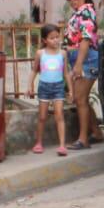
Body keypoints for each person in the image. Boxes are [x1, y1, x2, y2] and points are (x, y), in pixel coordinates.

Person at [64, 0, 104, 148]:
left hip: (86, 60)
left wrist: (78, 64)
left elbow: (86, 39)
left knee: (80, 99)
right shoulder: (79, 13)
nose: (72, 0)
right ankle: (95, 132)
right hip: (79, 58)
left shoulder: (86, 12)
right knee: (83, 100)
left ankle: (83, 139)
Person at [33, 22, 68, 156]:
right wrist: (29, 86)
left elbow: (66, 73)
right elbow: (34, 71)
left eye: (57, 37)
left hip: (58, 86)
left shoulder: (63, 54)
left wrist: (70, 89)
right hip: (44, 87)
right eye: (52, 38)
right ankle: (38, 143)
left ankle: (62, 146)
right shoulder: (40, 53)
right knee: (42, 116)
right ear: (44, 40)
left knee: (59, 115)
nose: (55, 40)